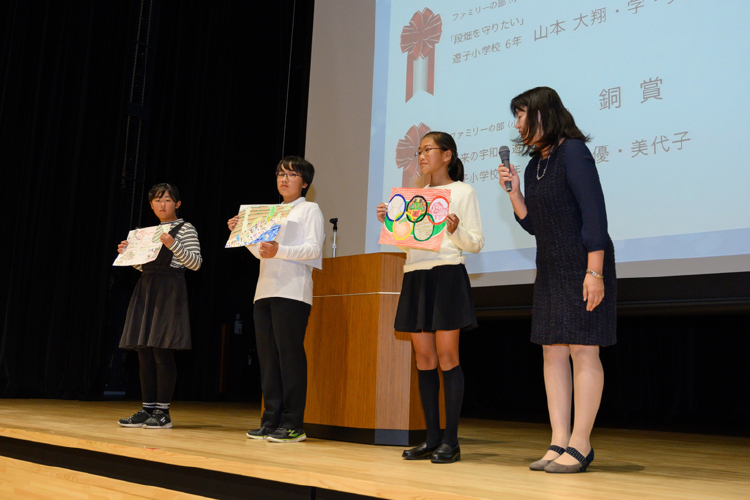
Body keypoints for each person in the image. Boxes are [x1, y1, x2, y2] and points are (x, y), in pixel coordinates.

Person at [498, 87, 617, 473]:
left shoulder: (574, 152)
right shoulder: (535, 166)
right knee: (552, 351)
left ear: (543, 113)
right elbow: (534, 224)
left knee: (584, 349)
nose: (517, 123)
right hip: (550, 265)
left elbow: (594, 215)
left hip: (584, 264)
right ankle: (558, 440)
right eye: (515, 116)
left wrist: (594, 271)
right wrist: (516, 193)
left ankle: (581, 442)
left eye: (521, 114)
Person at [376, 131, 484, 463]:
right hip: (416, 276)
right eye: (419, 152)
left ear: (447, 155)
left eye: (428, 150)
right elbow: (409, 241)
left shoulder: (463, 191)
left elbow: (476, 242)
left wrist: (455, 230)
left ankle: (451, 441)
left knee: (448, 357)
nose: (421, 156)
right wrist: (390, 222)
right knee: (424, 360)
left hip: (448, 273)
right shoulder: (414, 196)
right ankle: (431, 437)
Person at [228, 156, 324, 443]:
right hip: (265, 292)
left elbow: (313, 250)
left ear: (304, 182)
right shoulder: (268, 212)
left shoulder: (310, 209)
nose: (284, 179)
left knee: (289, 356)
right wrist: (242, 234)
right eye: (281, 174)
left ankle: (294, 423)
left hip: (292, 292)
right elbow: (261, 253)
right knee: (269, 359)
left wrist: (279, 249)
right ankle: (270, 420)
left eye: (292, 175)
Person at [117, 183, 202, 429]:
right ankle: (147, 409)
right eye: (157, 200)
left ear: (177, 203)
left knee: (161, 351)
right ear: (151, 204)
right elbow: (143, 265)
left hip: (169, 289)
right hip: (147, 287)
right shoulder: (147, 231)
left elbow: (195, 263)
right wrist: (128, 253)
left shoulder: (186, 228)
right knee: (144, 351)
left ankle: (162, 412)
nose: (161, 204)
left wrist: (172, 244)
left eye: (167, 200)